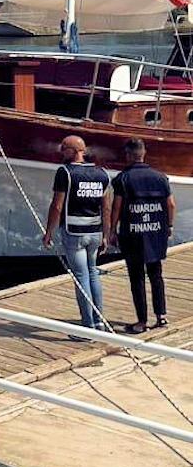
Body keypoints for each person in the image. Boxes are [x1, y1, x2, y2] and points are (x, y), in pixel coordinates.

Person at [42, 136, 111, 332]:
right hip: (95, 232)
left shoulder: (65, 173)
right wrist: (106, 235)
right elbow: (106, 208)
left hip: (74, 233)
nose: (61, 152)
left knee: (81, 276)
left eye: (63, 148)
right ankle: (99, 322)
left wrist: (48, 232)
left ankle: (87, 326)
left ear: (72, 150)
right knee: (92, 273)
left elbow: (57, 206)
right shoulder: (102, 173)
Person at [110, 137, 174, 334]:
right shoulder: (161, 177)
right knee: (156, 275)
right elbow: (171, 204)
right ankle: (161, 316)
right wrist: (168, 226)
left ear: (128, 155)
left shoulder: (123, 179)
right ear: (144, 153)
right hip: (156, 231)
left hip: (133, 234)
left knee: (137, 277)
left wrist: (112, 230)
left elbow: (117, 207)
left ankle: (142, 322)